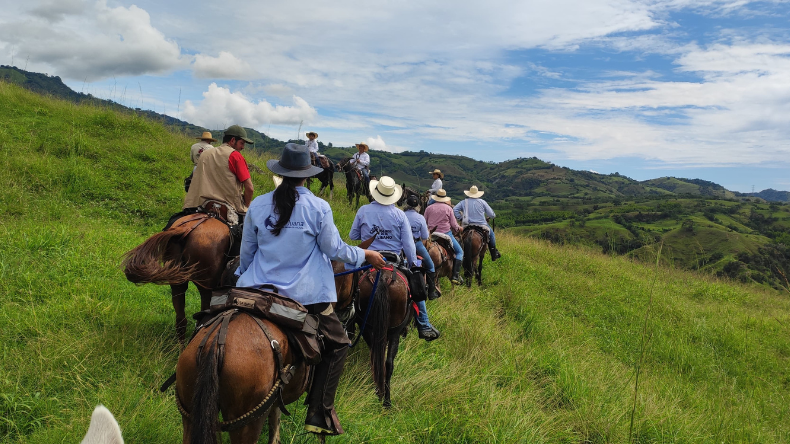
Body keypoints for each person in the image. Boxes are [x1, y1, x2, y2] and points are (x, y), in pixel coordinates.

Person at [235, 143, 386, 437]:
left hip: (255, 290)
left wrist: (242, 279)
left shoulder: (259, 204)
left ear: (280, 172)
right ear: (307, 176)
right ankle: (318, 411)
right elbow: (334, 249)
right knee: (339, 343)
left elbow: (247, 254)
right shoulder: (318, 207)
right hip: (303, 296)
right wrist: (365, 255)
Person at [183, 125, 254, 225]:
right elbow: (249, 188)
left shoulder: (206, 153)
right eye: (241, 143)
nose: (243, 147)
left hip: (199, 203)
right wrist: (246, 205)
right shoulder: (235, 156)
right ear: (233, 140)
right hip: (228, 205)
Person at [403, 194, 441, 341]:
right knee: (430, 265)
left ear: (406, 204)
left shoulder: (400, 214)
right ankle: (431, 291)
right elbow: (425, 236)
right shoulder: (420, 218)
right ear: (418, 205)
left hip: (400, 245)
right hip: (416, 243)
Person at [423, 189, 464, 285]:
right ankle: (455, 275)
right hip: (446, 234)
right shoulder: (448, 209)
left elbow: (424, 223)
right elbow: (454, 225)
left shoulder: (428, 208)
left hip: (432, 235)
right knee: (460, 252)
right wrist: (459, 229)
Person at [454, 185, 501, 261]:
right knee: (491, 234)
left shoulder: (463, 202)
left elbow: (455, 209)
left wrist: (461, 218)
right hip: (481, 224)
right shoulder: (482, 202)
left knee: (457, 236)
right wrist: (490, 216)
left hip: (467, 225)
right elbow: (492, 215)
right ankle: (493, 252)